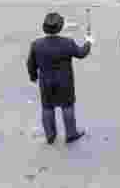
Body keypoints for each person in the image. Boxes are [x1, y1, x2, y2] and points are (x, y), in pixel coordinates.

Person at [27, 12, 93, 144]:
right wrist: (88, 42)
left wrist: (33, 76)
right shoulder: (67, 42)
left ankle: (50, 135)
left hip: (45, 81)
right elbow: (81, 53)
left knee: (47, 107)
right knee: (67, 106)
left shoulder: (36, 44)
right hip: (65, 81)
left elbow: (30, 63)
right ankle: (71, 134)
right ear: (60, 27)